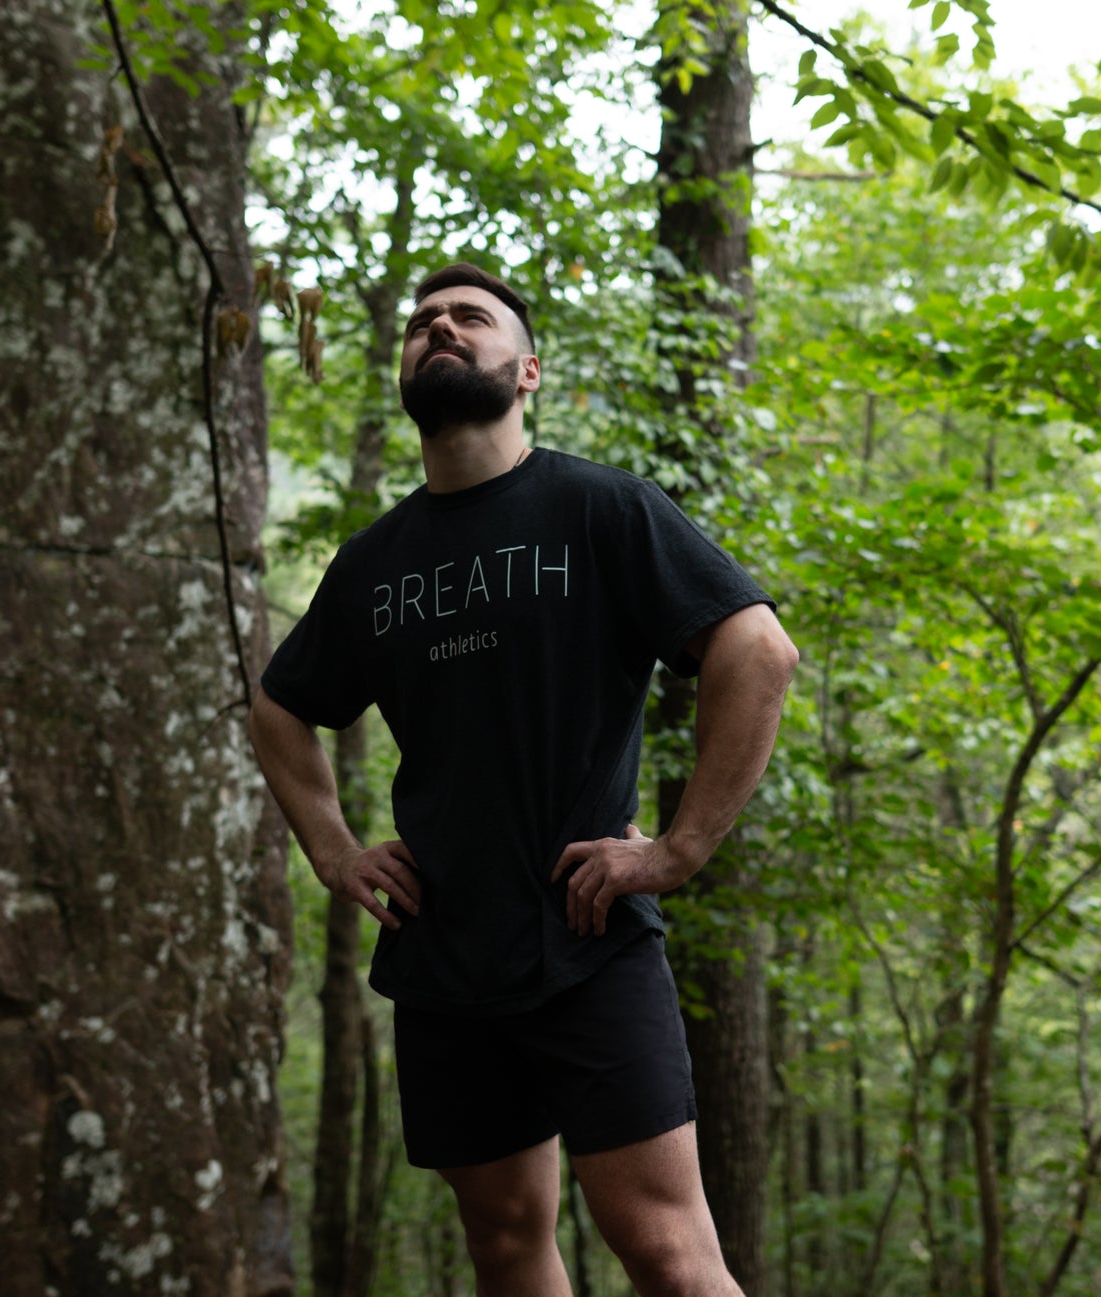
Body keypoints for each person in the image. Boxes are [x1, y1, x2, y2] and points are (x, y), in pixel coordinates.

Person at [247, 261, 799, 1297]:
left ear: (527, 369)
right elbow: (279, 707)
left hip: (586, 931)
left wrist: (676, 848)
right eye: (421, 323)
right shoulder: (372, 563)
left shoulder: (598, 508)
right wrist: (332, 848)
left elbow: (757, 652)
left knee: (667, 1249)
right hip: (442, 955)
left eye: (469, 318)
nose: (439, 329)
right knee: (503, 1245)